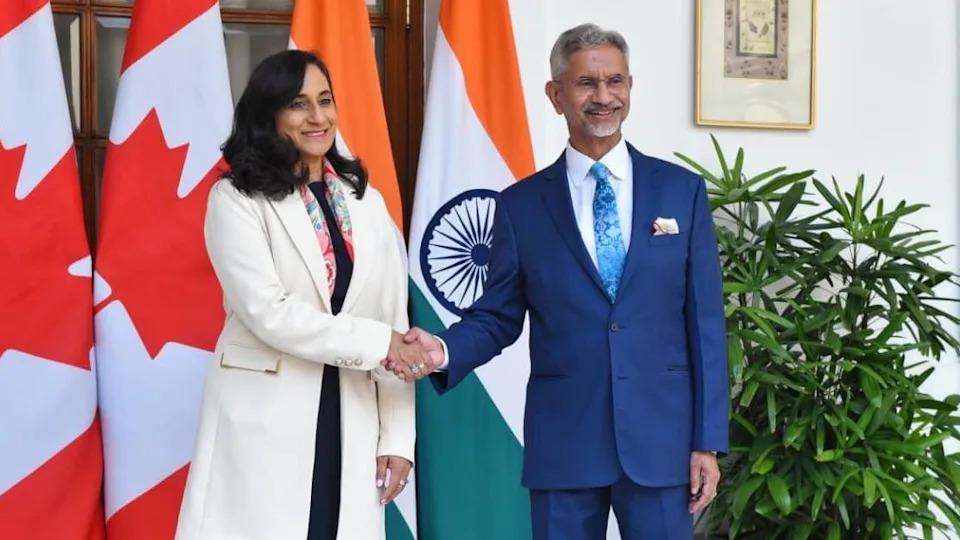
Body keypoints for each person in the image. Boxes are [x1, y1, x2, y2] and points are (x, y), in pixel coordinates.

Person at [399, 24, 730, 539]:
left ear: (630, 89)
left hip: (662, 442)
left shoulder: (682, 192)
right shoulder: (520, 205)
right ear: (556, 95)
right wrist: (442, 349)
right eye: (586, 84)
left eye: (615, 82)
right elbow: (498, 316)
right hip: (565, 441)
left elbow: (705, 323)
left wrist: (707, 441)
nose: (603, 97)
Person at [175, 50, 433, 540]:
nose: (318, 117)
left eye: (325, 100)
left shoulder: (367, 202)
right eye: (298, 104)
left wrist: (398, 437)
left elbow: (391, 317)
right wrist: (382, 342)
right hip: (264, 418)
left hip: (351, 413)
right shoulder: (234, 199)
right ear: (268, 116)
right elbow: (268, 312)